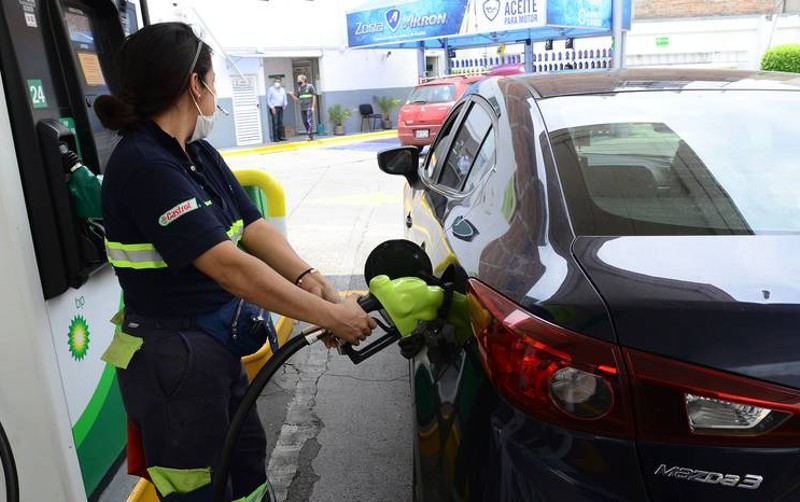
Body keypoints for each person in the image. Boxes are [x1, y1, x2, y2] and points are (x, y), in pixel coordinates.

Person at [94, 22, 375, 502]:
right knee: (198, 485)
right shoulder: (145, 165)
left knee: (244, 464)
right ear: (194, 84)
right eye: (213, 79)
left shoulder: (195, 153)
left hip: (211, 344)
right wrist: (331, 317)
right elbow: (230, 267)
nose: (216, 92)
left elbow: (251, 226)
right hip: (173, 356)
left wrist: (312, 281)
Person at [288, 74, 316, 140]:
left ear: (303, 80)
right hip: (302, 108)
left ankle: (309, 135)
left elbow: (314, 96)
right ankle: (309, 135)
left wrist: (313, 107)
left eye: (298, 79)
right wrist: (292, 95)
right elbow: (298, 100)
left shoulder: (310, 86)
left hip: (309, 107)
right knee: (304, 121)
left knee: (309, 121)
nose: (297, 81)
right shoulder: (299, 88)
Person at [266, 77, 287, 141]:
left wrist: (285, 104)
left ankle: (281, 137)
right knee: (275, 123)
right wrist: (272, 107)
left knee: (280, 122)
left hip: (280, 107)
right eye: (275, 81)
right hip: (274, 108)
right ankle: (275, 138)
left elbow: (285, 98)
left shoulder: (283, 89)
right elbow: (268, 99)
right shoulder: (271, 89)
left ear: (280, 82)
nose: (277, 83)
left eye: (278, 82)